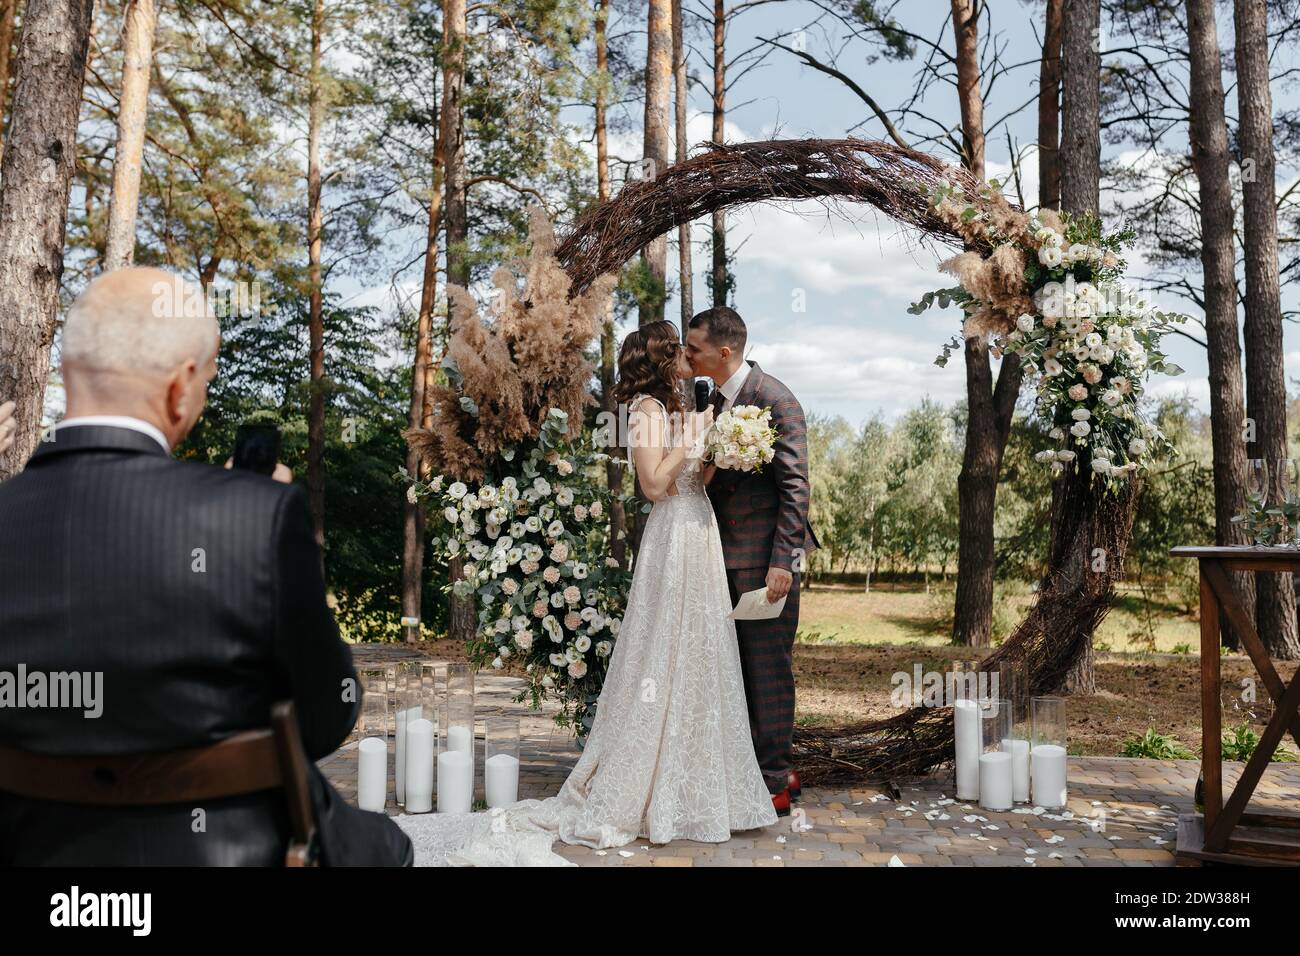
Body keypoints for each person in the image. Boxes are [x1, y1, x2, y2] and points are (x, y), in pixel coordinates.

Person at [0, 267, 411, 866]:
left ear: (66, 370)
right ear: (181, 386)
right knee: (390, 849)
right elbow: (326, 719)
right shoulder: (256, 518)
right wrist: (244, 521)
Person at [395, 319, 778, 865]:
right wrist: (692, 440)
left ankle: (700, 789)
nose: (689, 359)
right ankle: (639, 786)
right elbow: (652, 485)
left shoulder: (678, 411)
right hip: (671, 535)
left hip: (702, 533)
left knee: (702, 653)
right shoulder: (645, 410)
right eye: (680, 351)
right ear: (662, 358)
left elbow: (697, 478)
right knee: (662, 649)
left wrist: (715, 449)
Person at [685, 305, 820, 813]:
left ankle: (775, 781)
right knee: (734, 672)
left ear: (723, 351)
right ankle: (761, 770)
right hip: (718, 558)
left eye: (694, 348)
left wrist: (783, 561)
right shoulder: (711, 399)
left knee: (767, 671)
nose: (688, 355)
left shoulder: (775, 399)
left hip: (766, 562)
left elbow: (796, 488)